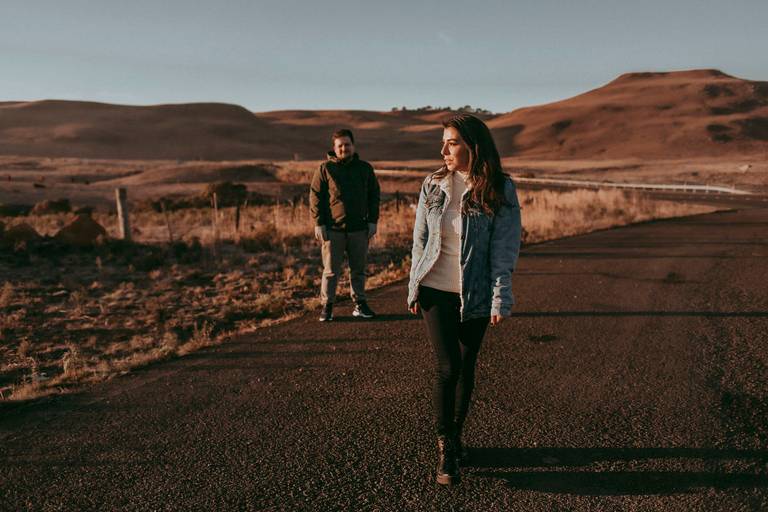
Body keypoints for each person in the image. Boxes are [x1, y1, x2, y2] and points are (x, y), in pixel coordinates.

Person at [407, 114, 522, 485]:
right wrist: (413, 285)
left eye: (452, 142)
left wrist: (500, 296)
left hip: (475, 292)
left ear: (473, 146)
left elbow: (504, 248)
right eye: (443, 141)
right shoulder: (433, 184)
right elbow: (420, 240)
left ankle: (456, 436)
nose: (443, 149)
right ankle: (446, 445)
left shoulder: (500, 188)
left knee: (466, 367)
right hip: (434, 289)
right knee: (448, 367)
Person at [310, 128, 381, 322]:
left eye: (347, 145)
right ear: (334, 148)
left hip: (359, 229)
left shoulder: (365, 168)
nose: (344, 148)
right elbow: (315, 197)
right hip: (333, 230)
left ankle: (360, 304)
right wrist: (319, 223)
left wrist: (373, 221)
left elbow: (374, 195)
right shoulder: (325, 169)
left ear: (353, 146)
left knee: (358, 270)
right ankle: (327, 306)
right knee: (331, 271)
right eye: (340, 146)